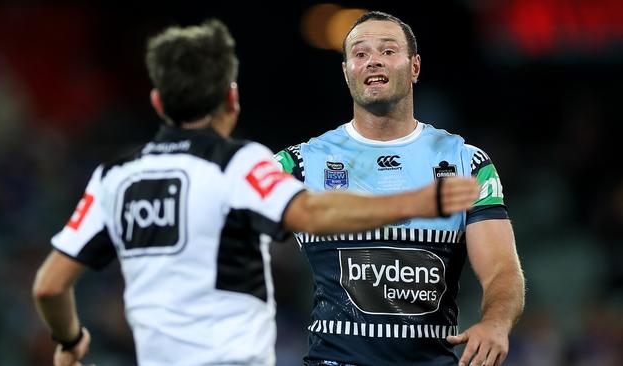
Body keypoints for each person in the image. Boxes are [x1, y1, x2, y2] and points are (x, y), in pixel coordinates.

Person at [32, 19, 479, 366]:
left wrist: (71, 340)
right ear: (232, 98)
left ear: (157, 103)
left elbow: (49, 286)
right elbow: (313, 213)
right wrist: (416, 202)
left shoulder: (116, 176)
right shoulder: (240, 164)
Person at [275, 11, 525, 366]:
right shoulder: (298, 165)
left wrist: (496, 323)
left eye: (388, 51)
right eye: (360, 54)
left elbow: (502, 268)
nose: (373, 59)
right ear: (347, 71)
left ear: (415, 67)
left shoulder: (467, 163)